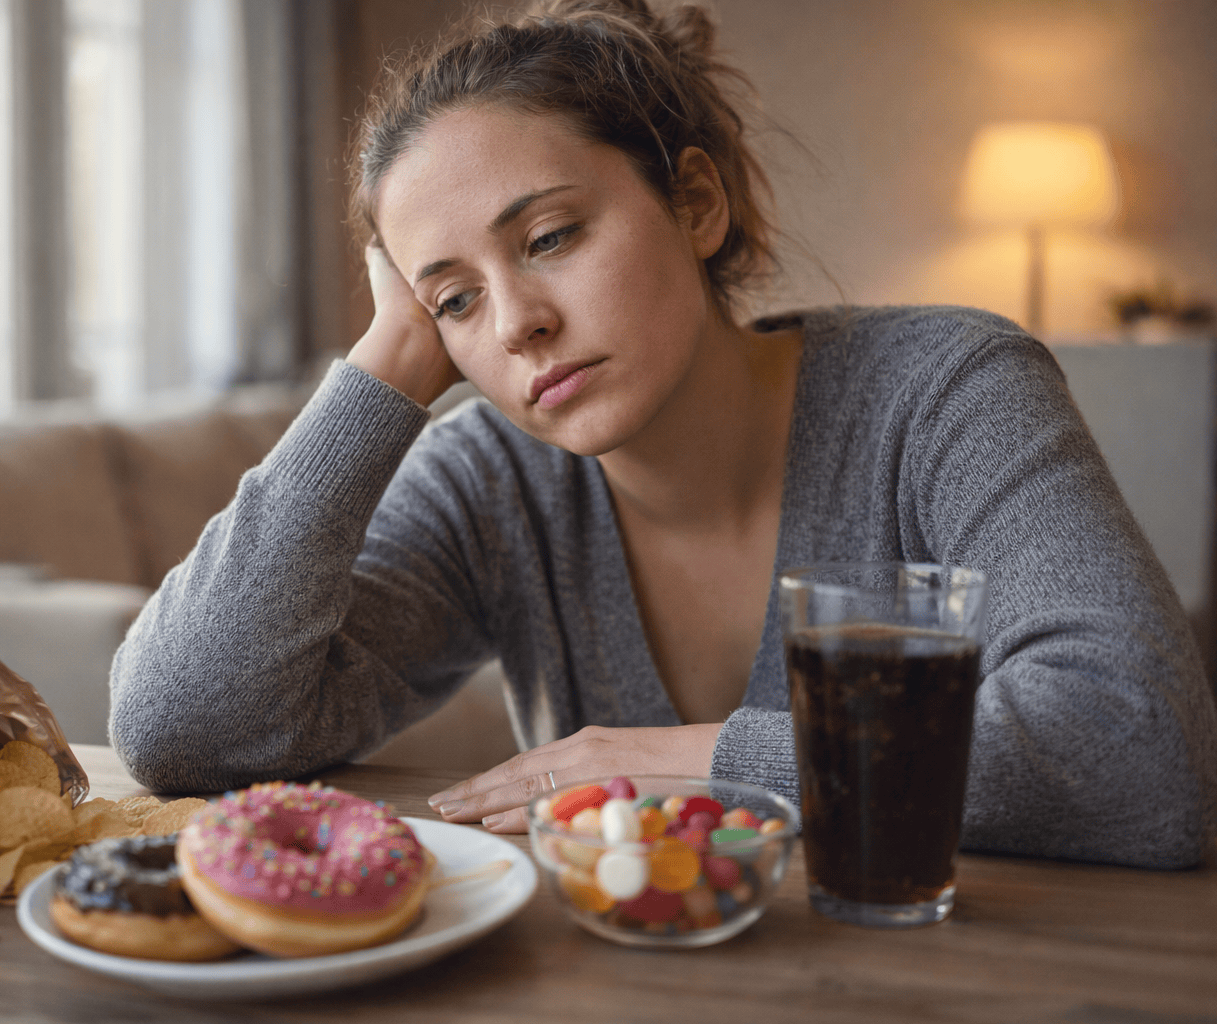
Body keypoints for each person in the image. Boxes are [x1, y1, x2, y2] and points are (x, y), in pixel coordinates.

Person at [109, 0, 1217, 868]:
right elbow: (178, 730)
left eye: (551, 236)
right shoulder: (489, 481)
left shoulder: (944, 389)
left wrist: (693, 762)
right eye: (453, 300)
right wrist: (381, 372)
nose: (517, 323)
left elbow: (1142, 751)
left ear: (695, 204)